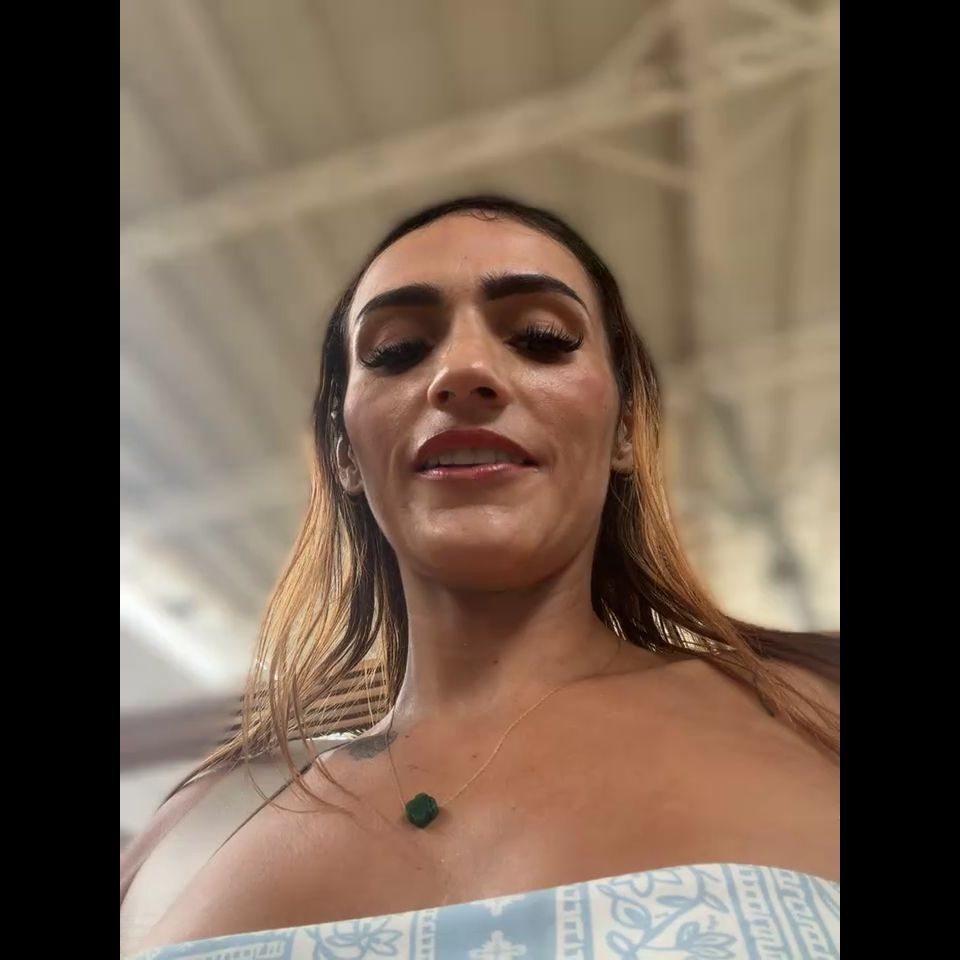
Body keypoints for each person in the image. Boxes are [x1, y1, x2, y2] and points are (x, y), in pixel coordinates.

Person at [120, 196, 839, 959]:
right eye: (397, 350)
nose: (462, 371)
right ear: (344, 454)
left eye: (541, 338)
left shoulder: (816, 712)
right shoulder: (192, 835)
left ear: (626, 430)